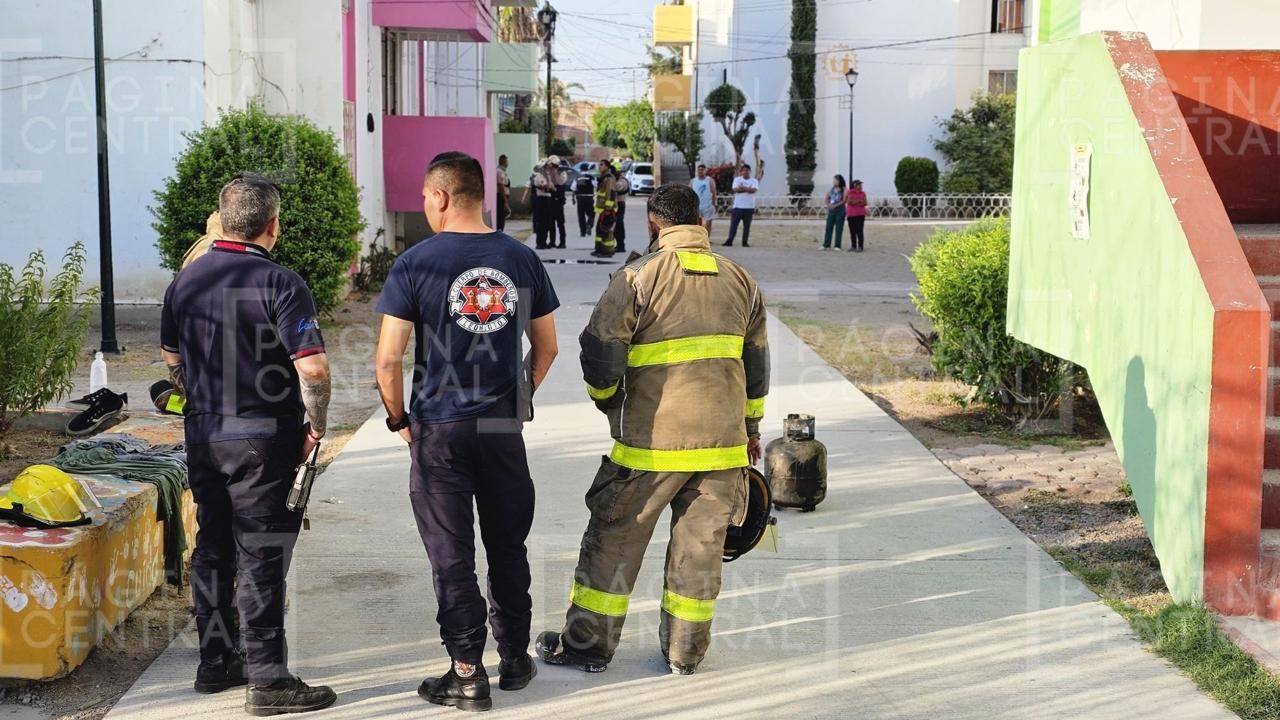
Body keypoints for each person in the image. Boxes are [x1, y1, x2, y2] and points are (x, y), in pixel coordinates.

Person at [537, 183, 769, 677]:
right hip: (724, 448)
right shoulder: (742, 280)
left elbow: (601, 353)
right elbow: (756, 363)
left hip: (650, 449)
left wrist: (609, 402)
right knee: (701, 552)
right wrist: (750, 427)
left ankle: (586, 648)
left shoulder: (639, 277)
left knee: (613, 543)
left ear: (652, 224)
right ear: (702, 224)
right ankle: (685, 654)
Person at [374, 151, 560, 713]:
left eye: (426, 198)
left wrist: (400, 419)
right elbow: (546, 346)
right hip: (502, 425)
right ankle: (516, 659)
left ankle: (466, 672)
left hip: (440, 428)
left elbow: (387, 362)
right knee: (508, 544)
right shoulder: (520, 259)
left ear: (440, 196)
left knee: (451, 554)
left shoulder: (415, 264)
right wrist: (514, 401)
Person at [160, 173, 336, 715]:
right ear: (272, 226)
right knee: (261, 554)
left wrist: (206, 401)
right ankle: (268, 679)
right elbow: (314, 369)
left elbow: (171, 362)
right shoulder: (282, 284)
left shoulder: (183, 282)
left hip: (204, 433)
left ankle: (216, 661)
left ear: (223, 219)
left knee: (211, 546)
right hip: (263, 439)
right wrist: (316, 426)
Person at [591, 160, 624, 257]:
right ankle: (599, 249)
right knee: (599, 230)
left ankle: (608, 251)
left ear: (607, 166)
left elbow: (611, 193)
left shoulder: (609, 178)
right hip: (602, 209)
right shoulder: (603, 177)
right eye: (599, 165)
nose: (599, 167)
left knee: (607, 231)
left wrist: (608, 208)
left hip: (607, 210)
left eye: (601, 165)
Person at [722, 163, 759, 248]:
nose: (745, 172)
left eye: (747, 170)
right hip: (738, 207)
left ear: (750, 171)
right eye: (744, 170)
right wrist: (747, 189)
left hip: (749, 207)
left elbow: (753, 190)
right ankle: (729, 240)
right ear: (741, 172)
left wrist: (743, 188)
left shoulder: (754, 181)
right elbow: (736, 190)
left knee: (747, 226)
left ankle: (745, 242)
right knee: (733, 225)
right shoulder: (737, 180)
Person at [524, 159, 556, 249]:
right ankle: (539, 242)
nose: (549, 169)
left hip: (547, 199)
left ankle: (544, 242)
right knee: (540, 222)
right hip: (541, 199)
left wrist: (550, 184)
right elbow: (545, 186)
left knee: (546, 222)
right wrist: (549, 185)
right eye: (547, 167)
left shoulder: (548, 176)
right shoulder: (539, 176)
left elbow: (553, 188)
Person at [690, 164, 718, 235]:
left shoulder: (709, 180)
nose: (700, 171)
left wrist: (714, 204)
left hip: (708, 206)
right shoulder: (693, 181)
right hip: (696, 206)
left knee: (708, 224)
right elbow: (690, 193)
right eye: (699, 170)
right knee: (697, 224)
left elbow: (714, 193)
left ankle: (707, 239)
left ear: (705, 171)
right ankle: (699, 238)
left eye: (702, 170)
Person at [822, 175, 847, 250]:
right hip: (831, 210)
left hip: (840, 210)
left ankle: (837, 245)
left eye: (835, 180)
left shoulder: (844, 189)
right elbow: (826, 198)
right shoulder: (831, 189)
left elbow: (844, 200)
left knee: (839, 228)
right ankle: (826, 244)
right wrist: (828, 205)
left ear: (839, 181)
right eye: (833, 180)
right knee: (828, 227)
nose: (833, 181)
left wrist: (836, 205)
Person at [551, 159, 570, 248]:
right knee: (551, 222)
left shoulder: (563, 173)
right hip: (551, 200)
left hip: (559, 201)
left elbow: (559, 182)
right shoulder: (552, 173)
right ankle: (552, 241)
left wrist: (555, 173)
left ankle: (562, 242)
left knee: (560, 223)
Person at [845, 178, 868, 252]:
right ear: (855, 185)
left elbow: (865, 202)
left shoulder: (863, 193)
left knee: (860, 230)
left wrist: (855, 202)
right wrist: (859, 201)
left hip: (860, 214)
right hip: (851, 214)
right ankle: (853, 246)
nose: (861, 186)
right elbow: (849, 202)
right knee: (852, 231)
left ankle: (860, 246)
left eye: (861, 184)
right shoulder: (850, 192)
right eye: (859, 184)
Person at [574, 167, 596, 238]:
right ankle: (589, 224)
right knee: (591, 214)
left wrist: (573, 199)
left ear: (580, 170)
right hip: (589, 198)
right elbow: (596, 185)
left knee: (581, 215)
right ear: (587, 170)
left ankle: (582, 232)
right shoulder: (591, 177)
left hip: (580, 198)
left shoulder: (579, 177)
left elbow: (573, 188)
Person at [495, 155, 511, 233]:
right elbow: (501, 186)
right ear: (503, 161)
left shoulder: (503, 171)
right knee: (500, 219)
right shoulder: (499, 172)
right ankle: (499, 234)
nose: (508, 163)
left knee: (502, 218)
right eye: (507, 161)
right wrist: (505, 200)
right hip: (500, 197)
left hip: (503, 196)